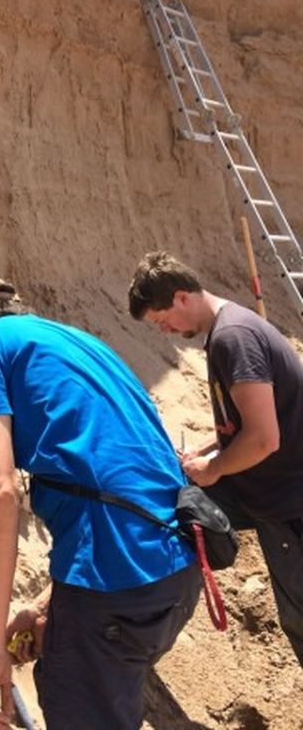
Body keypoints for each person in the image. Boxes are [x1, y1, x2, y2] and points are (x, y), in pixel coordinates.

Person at [0, 275, 200, 730]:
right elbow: (125, 476)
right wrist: (47, 608)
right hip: (175, 576)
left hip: (115, 587)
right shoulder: (83, 344)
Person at [128, 250, 303, 666]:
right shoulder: (231, 328)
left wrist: (215, 467)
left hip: (287, 504)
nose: (165, 330)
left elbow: (262, 439)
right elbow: (247, 423)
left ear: (182, 296)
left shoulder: (233, 338)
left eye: (161, 319)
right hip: (271, 491)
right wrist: (208, 449)